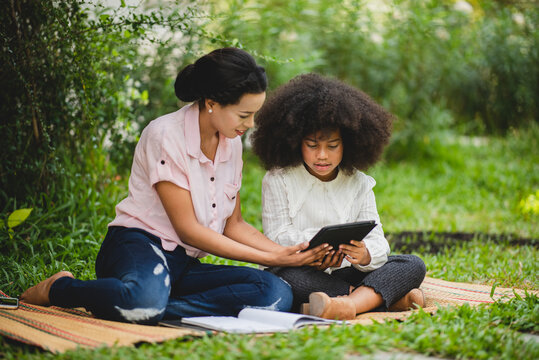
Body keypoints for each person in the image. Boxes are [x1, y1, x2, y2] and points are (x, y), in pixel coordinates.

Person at [20, 48, 329, 324]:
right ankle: (60, 288)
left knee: (274, 292)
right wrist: (273, 259)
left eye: (254, 115)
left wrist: (288, 252)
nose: (250, 124)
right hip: (138, 247)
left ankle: (148, 305)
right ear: (211, 103)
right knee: (145, 299)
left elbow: (233, 224)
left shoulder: (231, 144)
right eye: (244, 115)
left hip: (182, 264)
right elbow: (188, 230)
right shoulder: (165, 135)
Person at [250, 73, 427, 320]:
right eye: (312, 145)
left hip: (347, 272)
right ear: (294, 141)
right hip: (301, 271)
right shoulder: (278, 179)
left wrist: (365, 254)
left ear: (350, 144)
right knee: (281, 278)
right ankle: (380, 300)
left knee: (412, 264)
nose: (322, 155)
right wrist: (316, 252)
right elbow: (276, 237)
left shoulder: (359, 182)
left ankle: (345, 304)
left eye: (332, 146)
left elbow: (378, 242)